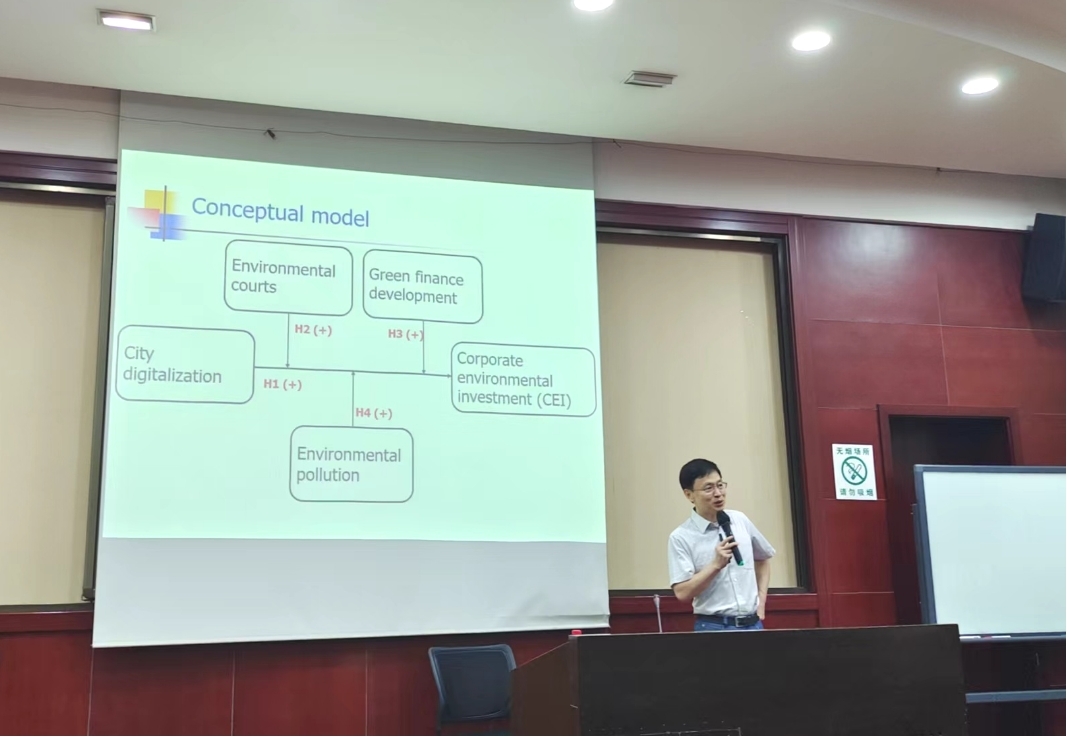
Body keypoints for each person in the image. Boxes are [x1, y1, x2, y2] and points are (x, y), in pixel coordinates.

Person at [668, 458, 775, 632]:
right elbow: (682, 592)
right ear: (689, 495)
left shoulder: (740, 520)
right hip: (713, 626)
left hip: (753, 624)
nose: (718, 493)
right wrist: (715, 565)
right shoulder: (681, 537)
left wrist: (761, 602)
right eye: (708, 488)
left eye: (720, 485)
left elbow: (763, 559)